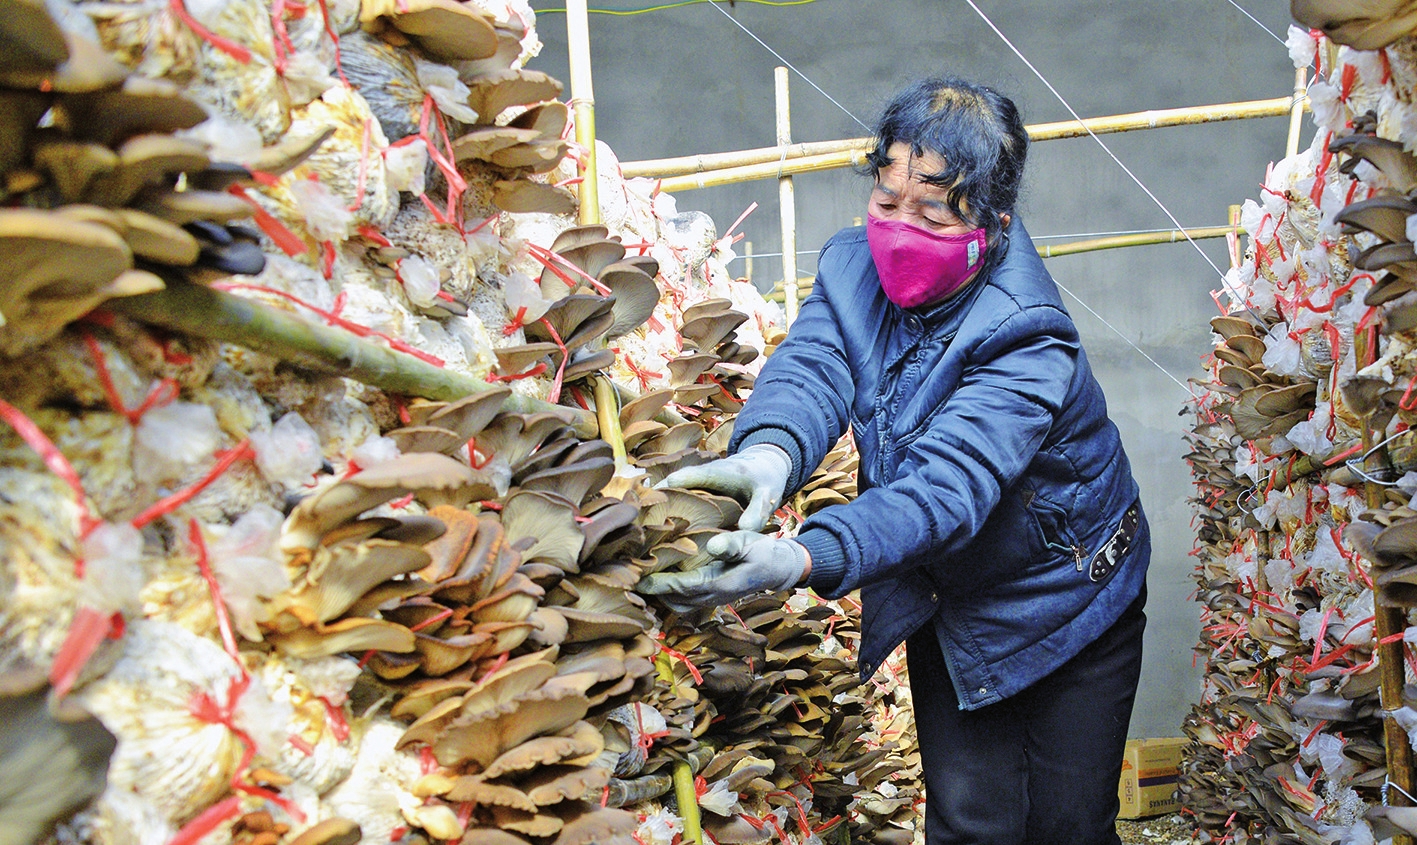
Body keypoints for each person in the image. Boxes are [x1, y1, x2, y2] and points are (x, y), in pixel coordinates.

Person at [640, 76, 1150, 845]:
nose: (898, 228)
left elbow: (946, 489)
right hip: (950, 597)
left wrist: (799, 557)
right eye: (885, 202)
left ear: (994, 224)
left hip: (1068, 591)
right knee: (968, 822)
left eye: (933, 212)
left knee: (1067, 825)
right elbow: (814, 366)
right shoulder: (850, 268)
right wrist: (768, 455)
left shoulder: (1026, 332)